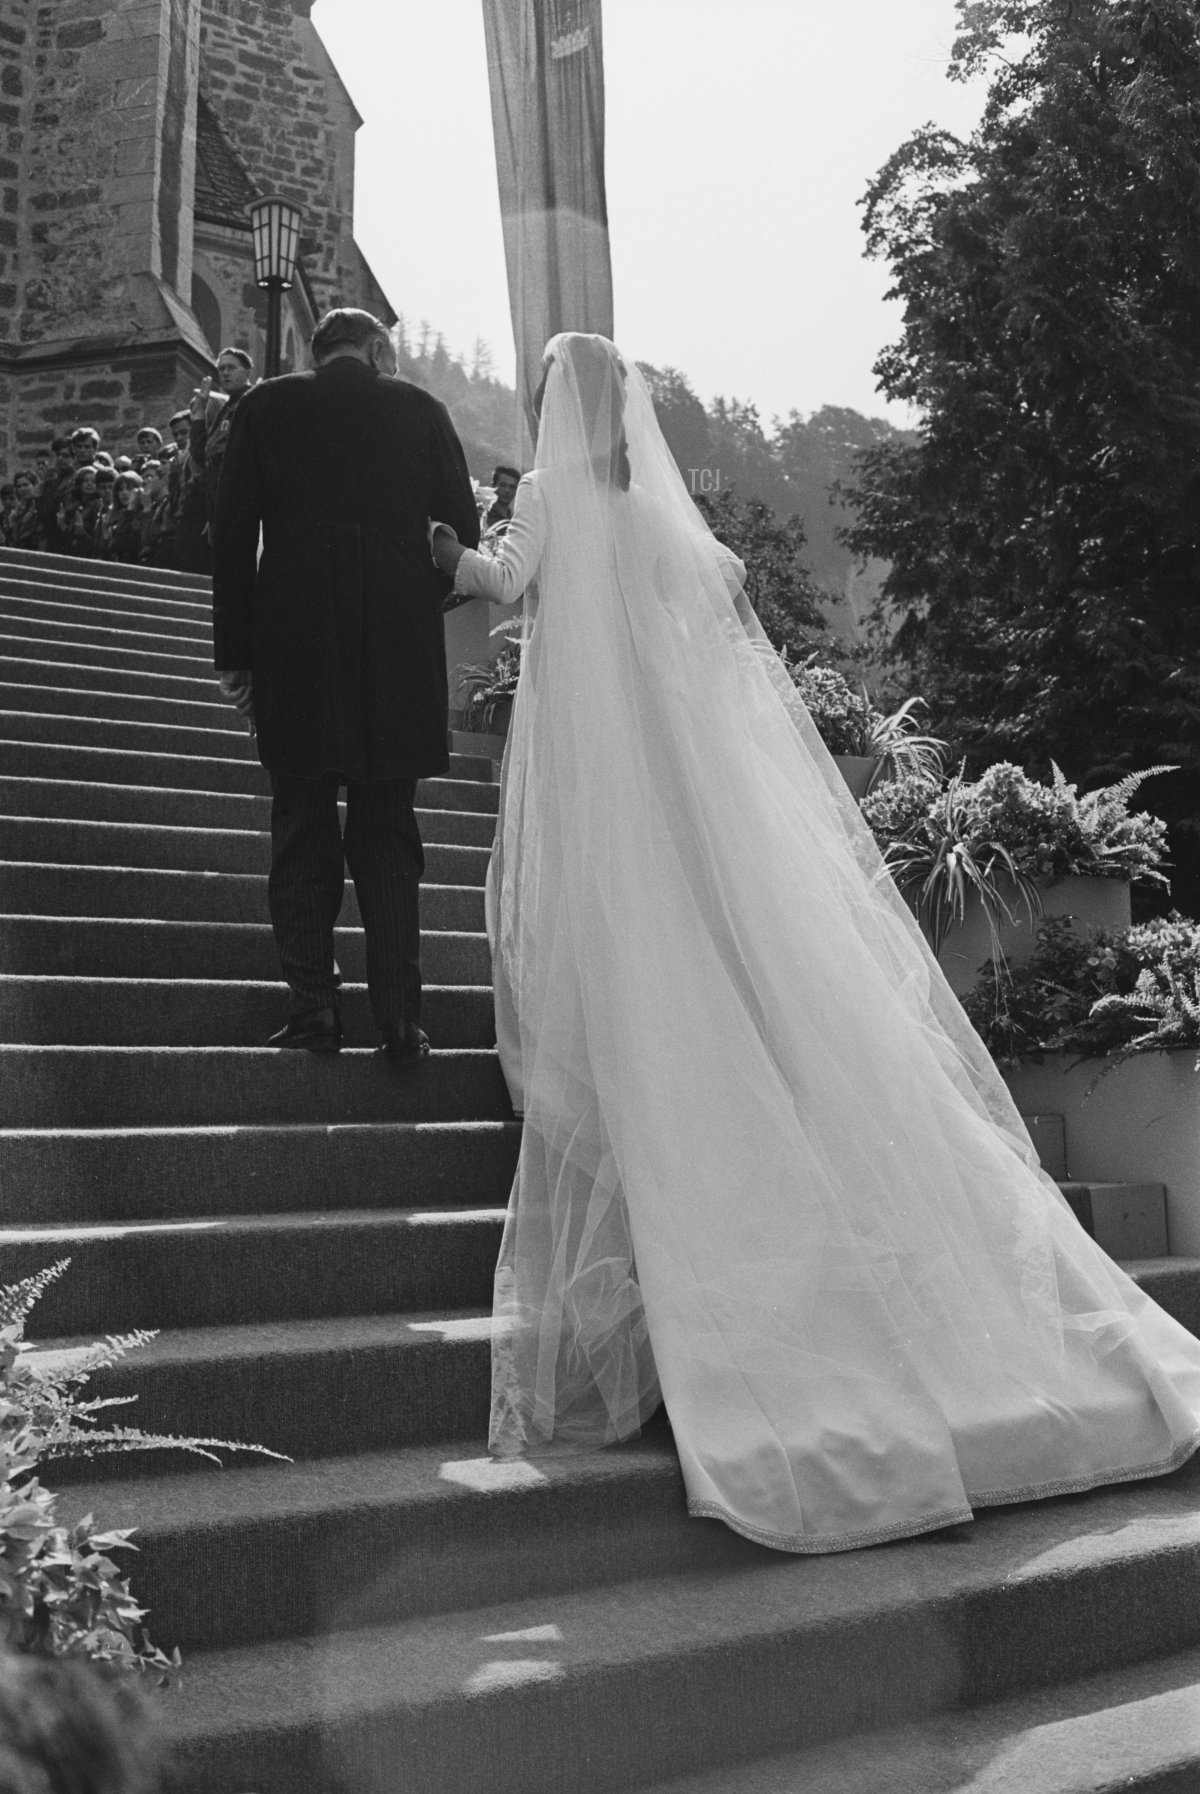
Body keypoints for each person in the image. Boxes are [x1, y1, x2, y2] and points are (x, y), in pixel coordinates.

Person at [429, 331, 1200, 1557]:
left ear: (555, 409)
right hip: (679, 779)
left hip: (601, 776)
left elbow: (510, 580)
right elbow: (718, 593)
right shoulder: (644, 504)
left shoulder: (549, 493)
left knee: (622, 948)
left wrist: (448, 554)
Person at [211, 306, 480, 1058]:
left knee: (301, 825)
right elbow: (462, 531)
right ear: (377, 349)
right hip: (394, 644)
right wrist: (415, 595)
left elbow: (231, 538)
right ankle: (398, 1019)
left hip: (293, 639)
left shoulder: (264, 405)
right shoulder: (421, 409)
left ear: (312, 349)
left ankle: (313, 1010)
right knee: (389, 830)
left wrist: (236, 653)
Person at [189, 346, 255, 552]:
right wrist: (200, 409)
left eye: (231, 368)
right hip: (218, 497)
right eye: (221, 369)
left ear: (247, 372)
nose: (225, 373)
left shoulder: (252, 402)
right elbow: (201, 453)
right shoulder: (226, 409)